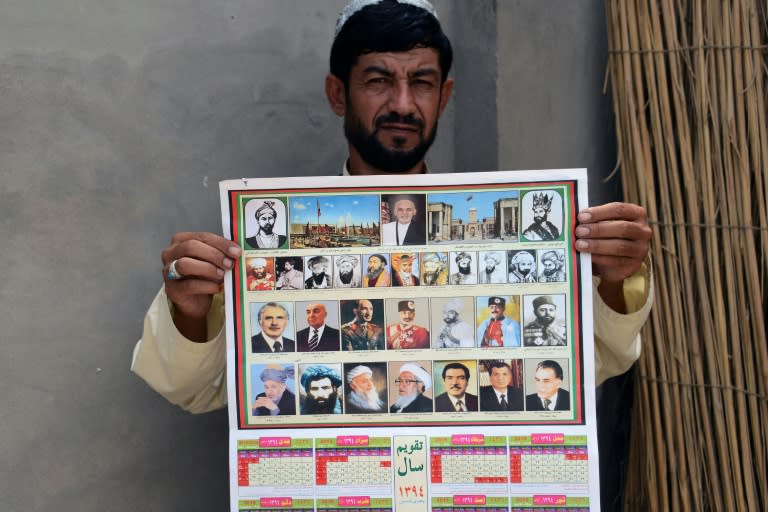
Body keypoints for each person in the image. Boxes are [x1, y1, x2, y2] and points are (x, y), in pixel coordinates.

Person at [133, 0, 653, 414]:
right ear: (339, 94)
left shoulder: (501, 243)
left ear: (444, 96)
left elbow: (591, 364)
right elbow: (192, 391)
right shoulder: (268, 255)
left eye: (421, 82)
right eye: (379, 80)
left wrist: (613, 279)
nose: (403, 104)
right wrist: (191, 311)